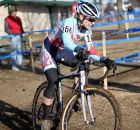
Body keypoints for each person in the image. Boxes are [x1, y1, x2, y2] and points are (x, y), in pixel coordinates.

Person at [40, 0, 116, 129]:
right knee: (53, 81)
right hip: (50, 50)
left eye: (94, 20)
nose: (93, 23)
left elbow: (91, 51)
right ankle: (45, 119)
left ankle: (78, 91)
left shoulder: (87, 31)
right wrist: (79, 50)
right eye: (91, 19)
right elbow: (67, 41)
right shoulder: (69, 22)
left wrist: (104, 60)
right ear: (81, 16)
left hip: (62, 51)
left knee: (85, 60)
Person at [4, 5, 24, 71]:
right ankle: (14, 66)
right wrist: (11, 32)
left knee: (20, 50)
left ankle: (19, 64)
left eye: (15, 11)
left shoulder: (18, 18)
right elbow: (6, 29)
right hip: (13, 36)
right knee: (14, 51)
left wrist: (22, 33)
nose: (15, 13)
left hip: (19, 35)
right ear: (10, 12)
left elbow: (21, 27)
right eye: (13, 12)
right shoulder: (7, 19)